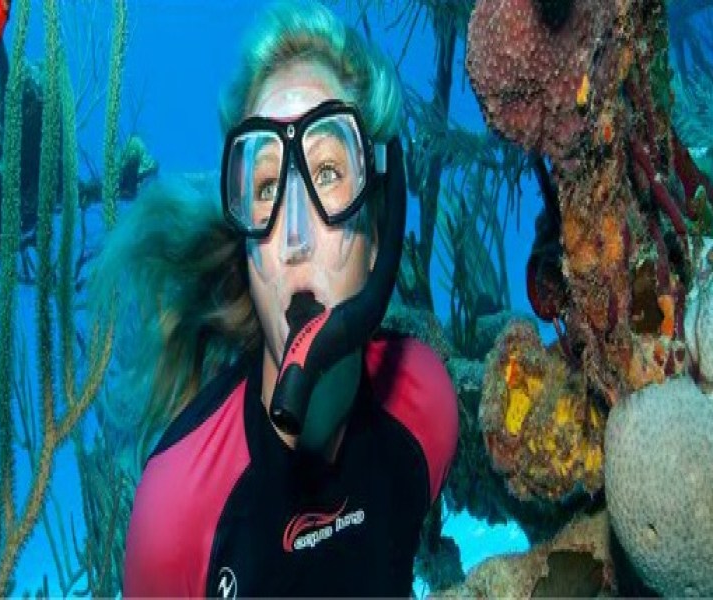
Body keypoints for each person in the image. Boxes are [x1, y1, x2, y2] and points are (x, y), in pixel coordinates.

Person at [104, 1, 459, 596]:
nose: (295, 237)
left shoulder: (425, 408)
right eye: (267, 186)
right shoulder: (173, 519)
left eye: (327, 173)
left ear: (378, 230)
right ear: (247, 249)